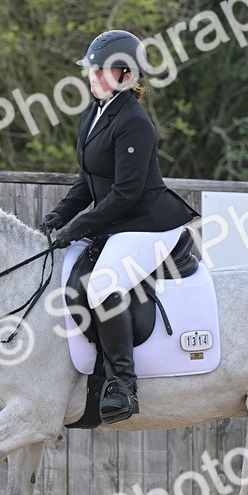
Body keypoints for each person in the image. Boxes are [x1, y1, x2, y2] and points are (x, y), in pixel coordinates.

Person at [40, 29, 199, 424]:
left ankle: (123, 385)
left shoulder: (134, 122)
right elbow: (89, 179)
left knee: (103, 285)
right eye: (91, 69)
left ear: (126, 75)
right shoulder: (94, 113)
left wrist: (78, 227)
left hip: (147, 223)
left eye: (100, 70)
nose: (92, 76)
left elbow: (126, 193)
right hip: (119, 221)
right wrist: (60, 215)